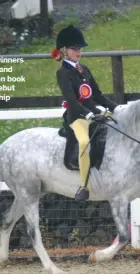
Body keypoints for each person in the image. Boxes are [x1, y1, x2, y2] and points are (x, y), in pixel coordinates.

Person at [52, 25, 121, 201]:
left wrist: (116, 108)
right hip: (76, 117)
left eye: (79, 48)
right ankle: (84, 186)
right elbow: (73, 102)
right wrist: (89, 115)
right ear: (64, 51)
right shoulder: (63, 73)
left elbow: (97, 95)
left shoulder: (85, 70)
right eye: (74, 48)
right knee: (84, 142)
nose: (78, 51)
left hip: (93, 112)